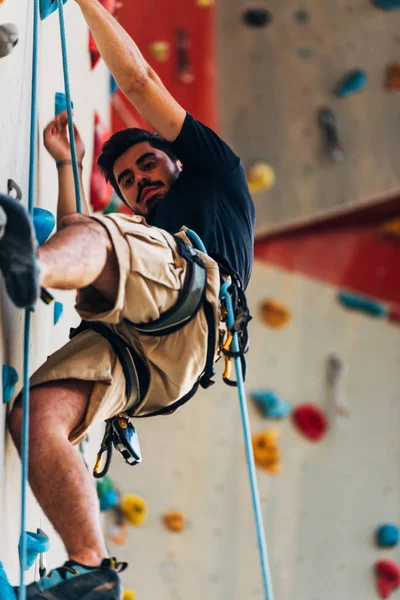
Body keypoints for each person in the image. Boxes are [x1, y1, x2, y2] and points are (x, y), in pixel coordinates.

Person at [0, 0, 255, 597]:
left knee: (96, 240)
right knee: (36, 420)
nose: (141, 182)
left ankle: (30, 265)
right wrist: (67, 167)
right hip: (155, 364)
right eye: (130, 183)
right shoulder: (139, 239)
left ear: (176, 157)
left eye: (148, 165)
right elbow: (85, 247)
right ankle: (91, 565)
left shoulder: (215, 175)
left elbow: (139, 81)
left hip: (194, 301)